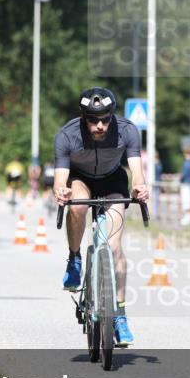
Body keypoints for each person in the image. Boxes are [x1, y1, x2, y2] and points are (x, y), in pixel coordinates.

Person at [53, 87, 149, 347]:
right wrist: (61, 191)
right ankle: (74, 259)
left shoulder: (127, 130)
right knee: (77, 206)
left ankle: (119, 314)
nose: (100, 125)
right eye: (94, 120)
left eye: (106, 119)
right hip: (81, 179)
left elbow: (136, 171)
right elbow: (60, 178)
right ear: (83, 118)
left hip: (112, 181)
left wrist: (139, 186)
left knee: (115, 249)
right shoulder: (67, 135)